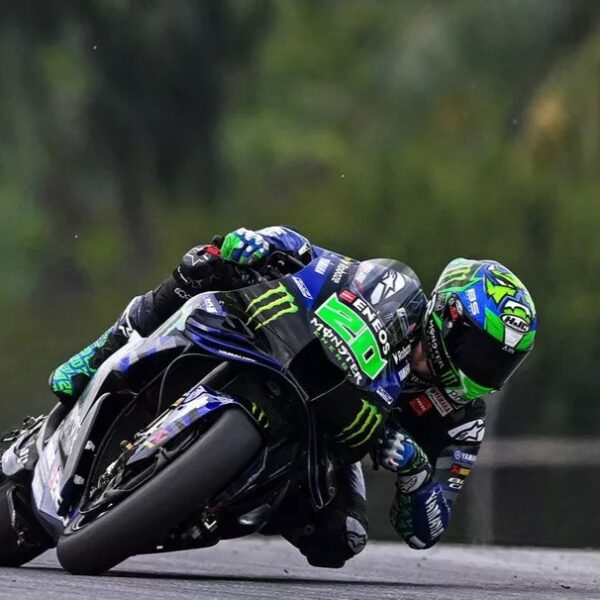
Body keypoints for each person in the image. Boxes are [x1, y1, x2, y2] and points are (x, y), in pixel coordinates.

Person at [49, 226, 537, 567]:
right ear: (447, 314)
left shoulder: (462, 419)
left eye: (498, 364)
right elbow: (318, 258)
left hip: (335, 440)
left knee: (341, 541)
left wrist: (413, 472)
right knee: (207, 261)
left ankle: (215, 503)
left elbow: (427, 528)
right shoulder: (397, 293)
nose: (481, 370)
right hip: (284, 347)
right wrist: (263, 244)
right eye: (478, 350)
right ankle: (98, 353)